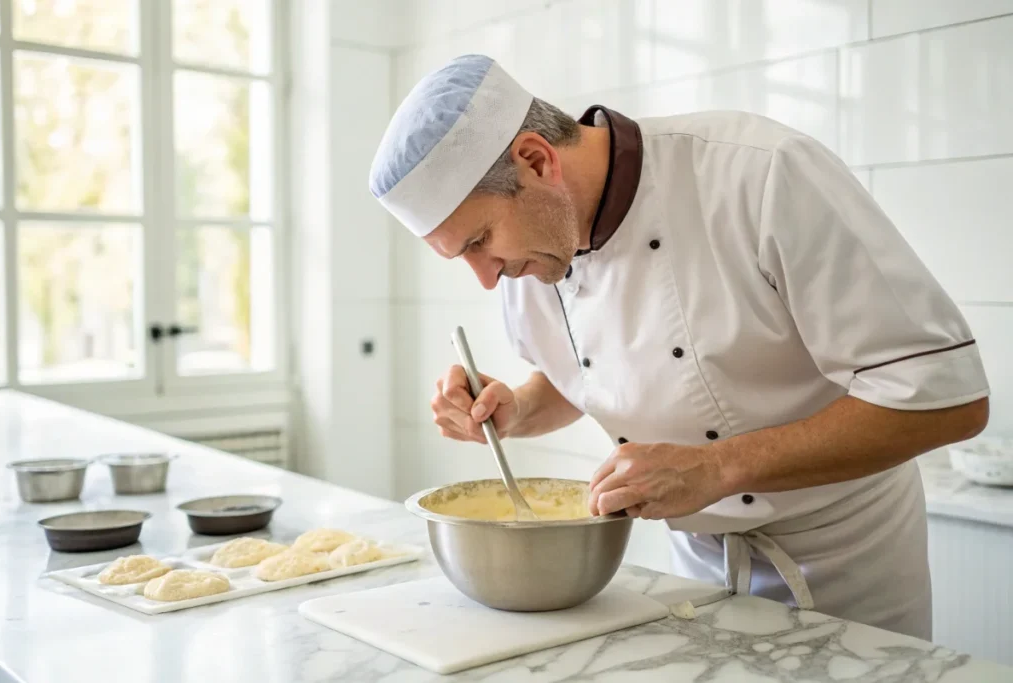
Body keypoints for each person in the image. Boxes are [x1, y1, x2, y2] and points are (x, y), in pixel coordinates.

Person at [368, 54, 989, 639]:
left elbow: (948, 399)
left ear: (535, 160)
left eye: (479, 240)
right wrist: (518, 410)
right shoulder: (533, 250)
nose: (486, 276)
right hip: (692, 573)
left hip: (846, 566)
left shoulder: (760, 173)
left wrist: (716, 467)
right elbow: (587, 371)